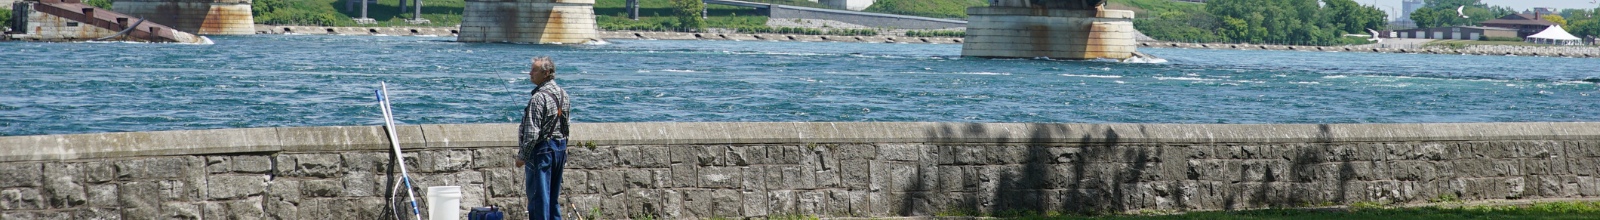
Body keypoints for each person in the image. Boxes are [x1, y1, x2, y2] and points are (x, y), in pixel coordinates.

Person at [516, 56, 571, 220]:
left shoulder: (538, 98)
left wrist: (522, 157)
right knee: (553, 200)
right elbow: (566, 126)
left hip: (542, 153)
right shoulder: (564, 94)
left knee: (539, 199)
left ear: (546, 73)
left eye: (534, 70)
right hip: (559, 150)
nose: (530, 73)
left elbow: (532, 133)